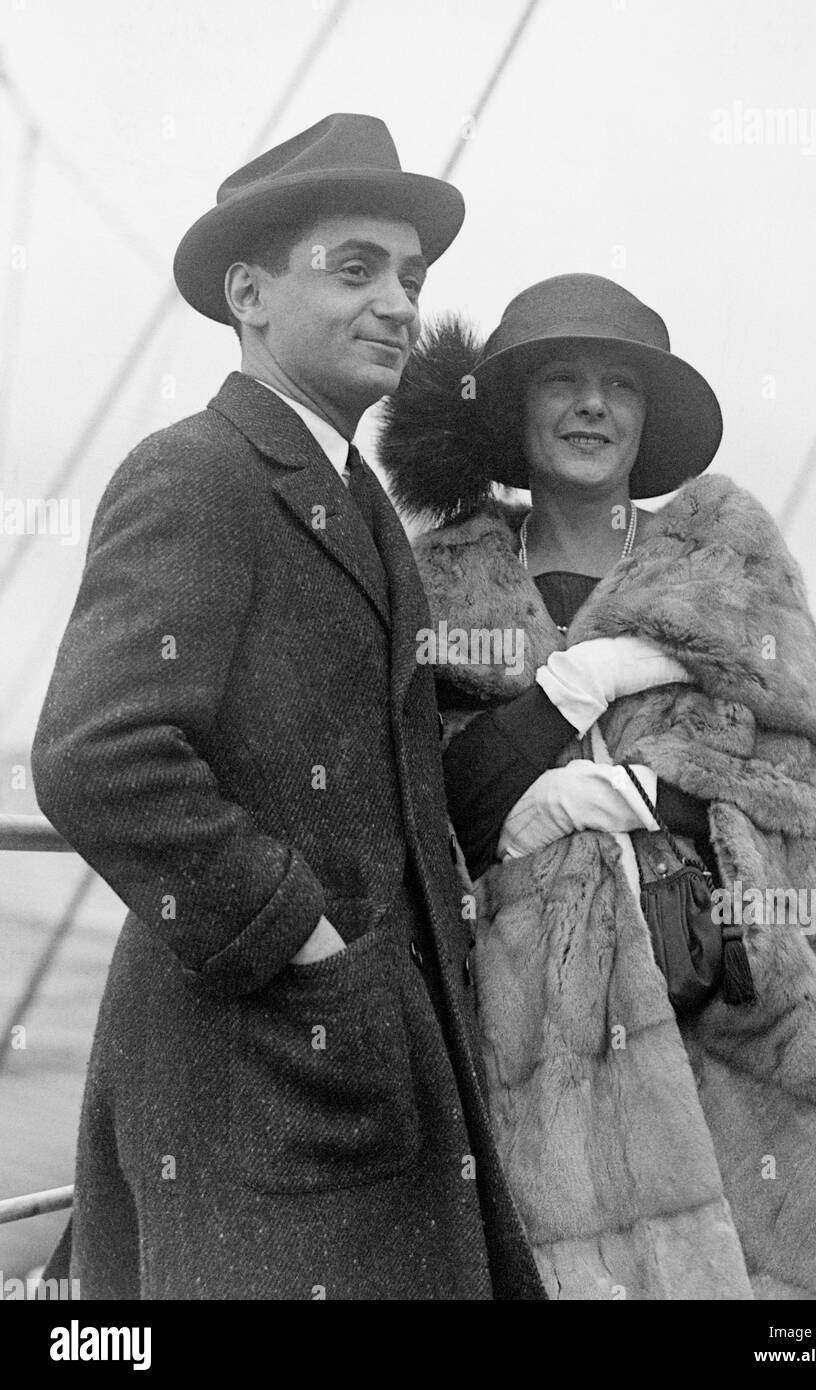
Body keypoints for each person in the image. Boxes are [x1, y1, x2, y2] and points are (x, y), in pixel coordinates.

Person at [31, 113, 545, 1301]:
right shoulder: (201, 471)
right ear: (249, 292)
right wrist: (303, 945)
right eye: (354, 267)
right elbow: (95, 756)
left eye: (410, 277)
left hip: (357, 1073)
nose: (399, 305)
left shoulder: (355, 497)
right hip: (254, 1076)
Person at [380, 272, 816, 1299]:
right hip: (520, 1035)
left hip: (725, 1011)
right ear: (515, 411)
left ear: (647, 415)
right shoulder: (436, 580)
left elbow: (797, 782)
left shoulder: (727, 566)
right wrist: (582, 695)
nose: (589, 405)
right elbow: (429, 804)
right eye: (559, 380)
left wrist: (622, 795)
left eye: (618, 382)